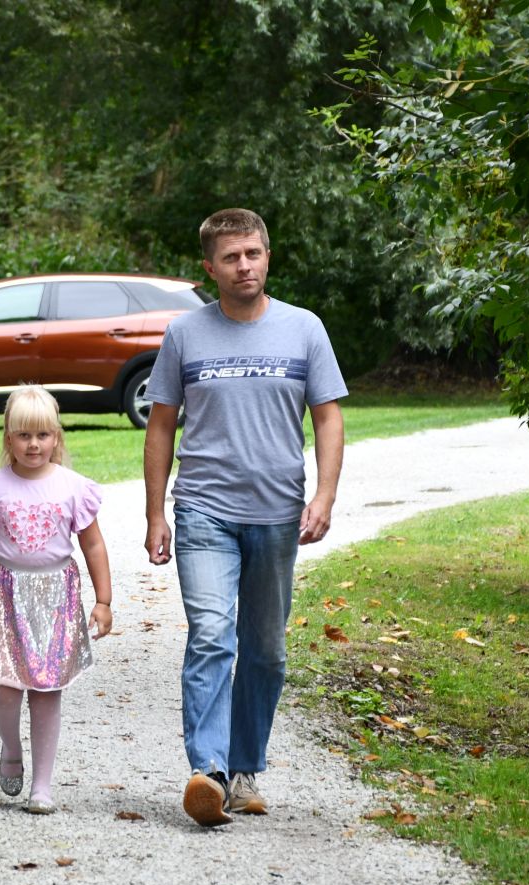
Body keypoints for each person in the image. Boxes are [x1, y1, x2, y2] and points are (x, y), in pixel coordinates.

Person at [143, 208, 346, 827]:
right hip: (204, 507)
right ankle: (209, 771)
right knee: (211, 634)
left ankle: (246, 767)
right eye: (231, 258)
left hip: (277, 513)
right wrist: (156, 513)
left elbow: (329, 417)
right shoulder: (185, 334)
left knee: (266, 651)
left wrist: (325, 495)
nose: (244, 266)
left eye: (252, 254)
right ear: (210, 269)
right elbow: (159, 427)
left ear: (267, 256)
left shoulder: (303, 329)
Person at [0, 386, 113, 815]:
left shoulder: (73, 487)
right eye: (23, 436)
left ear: (57, 437)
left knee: (46, 689)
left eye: (42, 435)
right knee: (4, 688)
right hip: (6, 593)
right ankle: (10, 747)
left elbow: (93, 546)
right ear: (8, 439)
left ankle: (42, 785)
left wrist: (104, 599)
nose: (33, 444)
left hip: (56, 597)